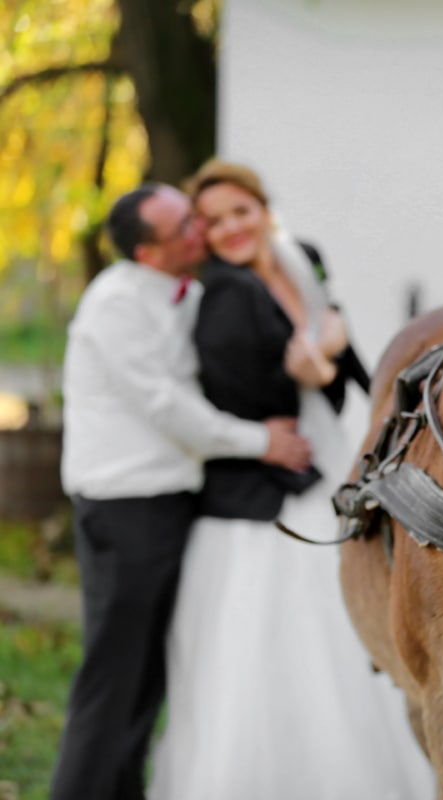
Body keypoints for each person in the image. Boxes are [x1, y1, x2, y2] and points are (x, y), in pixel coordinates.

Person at [147, 159, 435, 799]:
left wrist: (352, 369)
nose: (230, 230)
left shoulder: (300, 256)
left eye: (239, 212)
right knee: (277, 634)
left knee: (347, 624)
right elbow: (236, 389)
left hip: (326, 463)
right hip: (264, 491)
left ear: (263, 207)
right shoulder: (220, 292)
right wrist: (310, 362)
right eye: (213, 221)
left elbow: (341, 358)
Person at [51, 183, 313, 800]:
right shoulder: (114, 305)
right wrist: (262, 443)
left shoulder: (188, 290)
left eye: (193, 218)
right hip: (126, 509)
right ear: (148, 253)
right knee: (115, 677)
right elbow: (168, 406)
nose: (202, 232)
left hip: (165, 506)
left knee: (144, 678)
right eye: (184, 230)